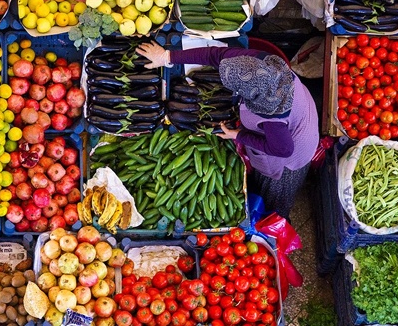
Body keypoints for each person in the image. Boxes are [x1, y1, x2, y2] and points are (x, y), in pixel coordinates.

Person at [136, 41, 319, 220]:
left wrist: (239, 135)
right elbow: (214, 55)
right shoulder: (256, 62)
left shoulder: (273, 119)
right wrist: (167, 56)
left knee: (275, 189)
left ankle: (274, 221)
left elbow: (283, 149)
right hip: (301, 107)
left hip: (295, 147)